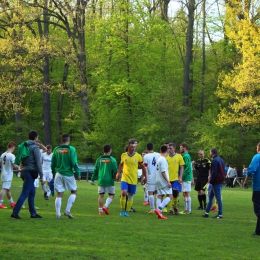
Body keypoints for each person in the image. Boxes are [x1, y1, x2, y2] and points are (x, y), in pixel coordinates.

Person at [11, 130, 44, 219]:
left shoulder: (24, 145)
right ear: (35, 138)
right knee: (25, 193)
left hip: (23, 171)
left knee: (32, 192)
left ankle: (33, 213)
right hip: (30, 172)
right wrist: (42, 176)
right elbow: (38, 163)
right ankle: (15, 212)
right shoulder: (35, 147)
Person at [51, 133, 81, 219]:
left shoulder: (56, 149)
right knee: (74, 191)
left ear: (61, 140)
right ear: (69, 140)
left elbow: (53, 163)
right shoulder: (71, 149)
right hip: (68, 174)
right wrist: (78, 173)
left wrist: (53, 173)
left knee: (59, 194)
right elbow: (74, 162)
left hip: (58, 174)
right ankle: (67, 210)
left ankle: (58, 214)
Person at [115, 140, 147, 217]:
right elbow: (121, 165)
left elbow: (143, 167)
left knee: (130, 195)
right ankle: (122, 210)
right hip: (125, 178)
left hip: (133, 179)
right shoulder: (123, 155)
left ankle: (127, 211)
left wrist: (144, 176)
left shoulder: (138, 156)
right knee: (123, 193)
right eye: (131, 147)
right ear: (128, 147)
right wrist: (118, 173)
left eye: (134, 147)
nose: (133, 148)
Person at [90, 144, 118, 215]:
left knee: (101, 195)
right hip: (109, 180)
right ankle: (105, 206)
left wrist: (92, 179)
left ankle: (100, 210)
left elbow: (95, 170)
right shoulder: (112, 160)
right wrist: (116, 177)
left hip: (101, 180)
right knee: (111, 195)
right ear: (110, 150)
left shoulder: (99, 159)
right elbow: (115, 170)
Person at [202, 148, 225, 219]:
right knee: (210, 197)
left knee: (218, 198)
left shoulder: (214, 161)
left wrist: (211, 181)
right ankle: (206, 212)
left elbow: (214, 172)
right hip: (219, 180)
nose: (210, 154)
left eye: (210, 152)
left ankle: (220, 214)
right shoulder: (221, 160)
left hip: (216, 181)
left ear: (212, 152)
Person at [243, 142, 260, 235]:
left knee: (257, 209)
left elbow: (251, 170)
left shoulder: (257, 157)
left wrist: (245, 181)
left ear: (258, 148)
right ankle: (258, 230)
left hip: (258, 187)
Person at [154, 145, 173, 220]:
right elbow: (163, 171)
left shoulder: (159, 159)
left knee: (160, 196)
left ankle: (160, 214)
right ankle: (159, 209)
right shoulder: (163, 159)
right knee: (170, 196)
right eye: (169, 149)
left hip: (158, 180)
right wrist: (168, 181)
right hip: (163, 180)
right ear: (167, 150)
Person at [166, 143, 184, 215]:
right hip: (168, 179)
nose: (169, 150)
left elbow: (181, 167)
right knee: (169, 194)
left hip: (176, 178)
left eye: (170, 148)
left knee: (176, 193)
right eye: (168, 148)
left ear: (174, 148)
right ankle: (170, 209)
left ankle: (175, 207)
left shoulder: (179, 156)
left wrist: (180, 177)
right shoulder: (166, 157)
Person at [0, 142, 19, 209]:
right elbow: (14, 166)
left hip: (3, 173)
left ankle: (11, 202)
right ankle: (0, 203)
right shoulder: (11, 155)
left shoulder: (2, 155)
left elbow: (0, 164)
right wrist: (18, 167)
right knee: (4, 188)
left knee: (8, 189)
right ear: (12, 147)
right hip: (8, 174)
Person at [143, 143, 160, 214]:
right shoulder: (158, 155)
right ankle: (159, 209)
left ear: (147, 148)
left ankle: (152, 209)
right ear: (153, 147)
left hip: (150, 176)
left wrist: (145, 177)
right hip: (158, 177)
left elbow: (145, 168)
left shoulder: (146, 156)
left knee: (150, 193)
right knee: (158, 193)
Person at [179, 142, 193, 214]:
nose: (180, 149)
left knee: (186, 193)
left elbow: (187, 167)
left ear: (184, 148)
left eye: (181, 147)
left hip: (186, 178)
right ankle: (186, 209)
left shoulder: (185, 156)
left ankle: (188, 210)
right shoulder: (187, 155)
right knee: (185, 193)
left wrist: (182, 176)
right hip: (187, 177)